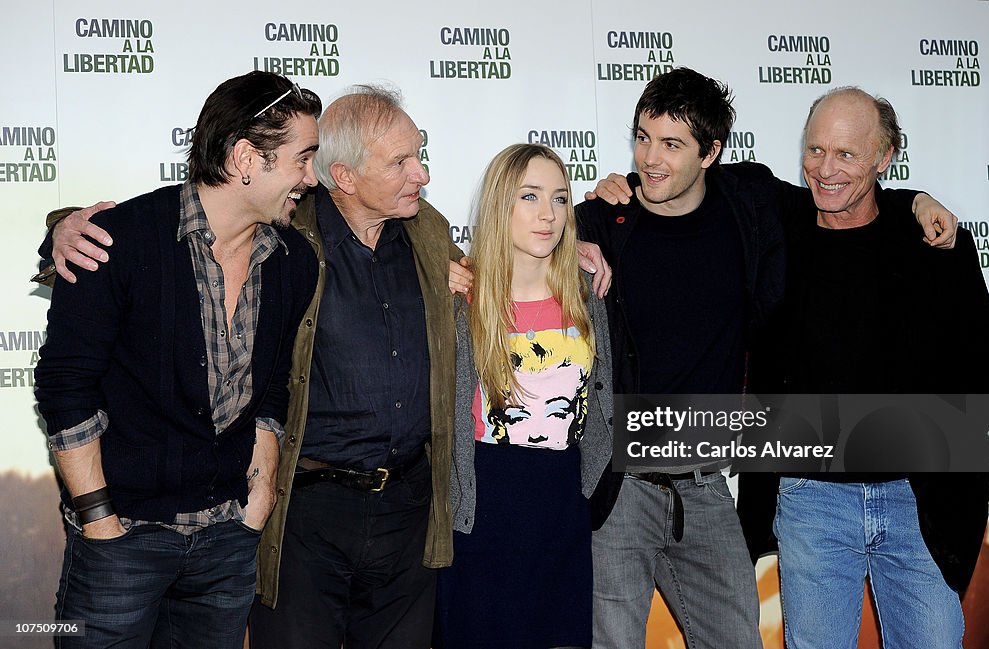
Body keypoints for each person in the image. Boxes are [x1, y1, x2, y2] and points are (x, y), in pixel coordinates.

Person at [39, 85, 611, 649]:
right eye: (402, 162)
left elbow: (505, 252)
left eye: (421, 156)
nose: (422, 175)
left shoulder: (429, 234)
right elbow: (165, 228)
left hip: (408, 515)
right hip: (306, 516)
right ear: (347, 177)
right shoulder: (287, 235)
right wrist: (62, 231)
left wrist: (579, 242)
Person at [576, 67, 959, 649]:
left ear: (712, 154)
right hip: (621, 483)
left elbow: (842, 199)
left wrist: (916, 199)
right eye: (643, 137)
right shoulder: (608, 219)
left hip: (705, 485)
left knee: (738, 639)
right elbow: (522, 246)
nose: (651, 158)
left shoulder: (748, 200)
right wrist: (563, 242)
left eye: (672, 144)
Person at [33, 70, 321, 649]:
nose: (310, 180)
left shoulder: (293, 260)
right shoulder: (116, 241)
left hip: (227, 542)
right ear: (246, 157)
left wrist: (259, 497)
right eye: (302, 159)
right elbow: (65, 388)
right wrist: (100, 523)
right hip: (122, 541)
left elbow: (268, 390)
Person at [740, 87, 989, 648]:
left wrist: (942, 447)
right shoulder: (779, 227)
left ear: (884, 157)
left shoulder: (933, 244)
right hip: (810, 498)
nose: (825, 170)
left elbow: (985, 362)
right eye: (815, 150)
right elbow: (695, 175)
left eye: (846, 155)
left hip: (919, 502)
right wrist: (616, 194)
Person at [434, 144, 613, 649]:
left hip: (562, 502)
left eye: (559, 199)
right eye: (529, 196)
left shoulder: (586, 294)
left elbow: (600, 405)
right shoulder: (461, 299)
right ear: (499, 206)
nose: (547, 215)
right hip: (484, 503)